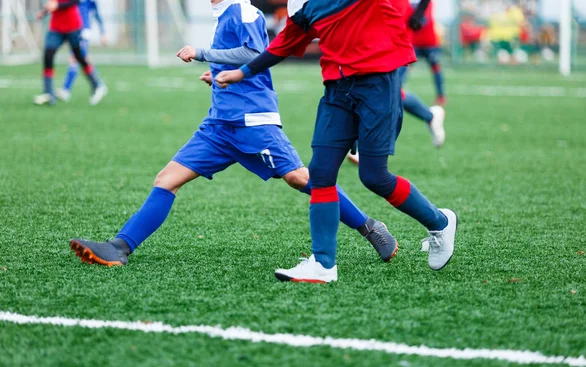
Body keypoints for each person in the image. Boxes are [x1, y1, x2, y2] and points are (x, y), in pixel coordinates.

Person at [69, 0, 399, 273]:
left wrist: (203, 53)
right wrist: (216, 76)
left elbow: (254, 52)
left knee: (301, 178)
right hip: (218, 125)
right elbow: (238, 60)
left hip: (253, 122)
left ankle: (370, 227)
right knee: (167, 179)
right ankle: (119, 247)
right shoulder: (223, 16)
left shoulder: (244, 11)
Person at [215, 0, 458, 283]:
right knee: (320, 173)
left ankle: (440, 223)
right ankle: (323, 264)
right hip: (337, 91)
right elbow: (283, 43)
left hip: (379, 86)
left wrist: (417, 13)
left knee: (374, 176)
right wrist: (241, 72)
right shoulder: (312, 7)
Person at [34, 0, 107, 106]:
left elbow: (75, 1)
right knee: (48, 55)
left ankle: (96, 84)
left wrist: (58, 5)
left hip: (72, 26)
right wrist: (44, 12)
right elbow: (53, 3)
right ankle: (48, 92)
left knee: (78, 56)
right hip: (56, 27)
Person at [56, 0, 108, 102]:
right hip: (73, 29)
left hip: (83, 31)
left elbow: (97, 14)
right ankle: (99, 84)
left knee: (75, 58)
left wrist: (103, 32)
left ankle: (66, 90)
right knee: (83, 59)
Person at [407, 0, 446, 106]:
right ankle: (398, 92)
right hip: (414, 42)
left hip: (429, 42)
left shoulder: (426, 2)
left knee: (436, 68)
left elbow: (424, 19)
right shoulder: (408, 2)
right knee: (405, 68)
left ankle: (441, 96)